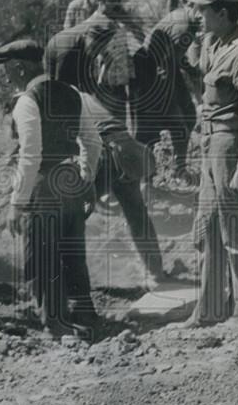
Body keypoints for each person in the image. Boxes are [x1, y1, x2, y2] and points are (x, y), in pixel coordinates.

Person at [0, 39, 103, 338]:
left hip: (43, 186)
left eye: (7, 69)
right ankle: (85, 314)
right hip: (69, 180)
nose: (6, 77)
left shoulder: (27, 100)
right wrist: (86, 180)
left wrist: (17, 204)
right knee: (72, 253)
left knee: (41, 258)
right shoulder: (73, 93)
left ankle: (55, 323)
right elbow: (93, 142)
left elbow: (31, 155)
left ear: (19, 67)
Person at [180, 0, 238, 327]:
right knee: (207, 227)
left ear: (221, 13)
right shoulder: (214, 45)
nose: (197, 15)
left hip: (230, 145)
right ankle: (210, 307)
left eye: (203, 10)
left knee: (236, 225)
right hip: (210, 142)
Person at [45, 35, 166, 287]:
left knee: (70, 215)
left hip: (108, 152)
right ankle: (156, 273)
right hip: (126, 150)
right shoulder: (83, 94)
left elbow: (70, 146)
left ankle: (66, 283)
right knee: (136, 212)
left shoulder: (58, 97)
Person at [135, 5, 201, 181]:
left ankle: (177, 167)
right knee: (174, 122)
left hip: (164, 68)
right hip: (153, 73)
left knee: (188, 115)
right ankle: (147, 174)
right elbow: (167, 60)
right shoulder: (185, 26)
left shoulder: (188, 19)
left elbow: (175, 57)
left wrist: (190, 70)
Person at [79, 0, 146, 126]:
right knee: (106, 123)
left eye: (117, 1)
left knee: (119, 123)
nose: (115, 4)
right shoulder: (95, 22)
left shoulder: (118, 19)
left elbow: (140, 37)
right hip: (103, 82)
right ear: (100, 0)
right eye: (111, 1)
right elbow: (89, 53)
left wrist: (129, 22)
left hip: (120, 80)